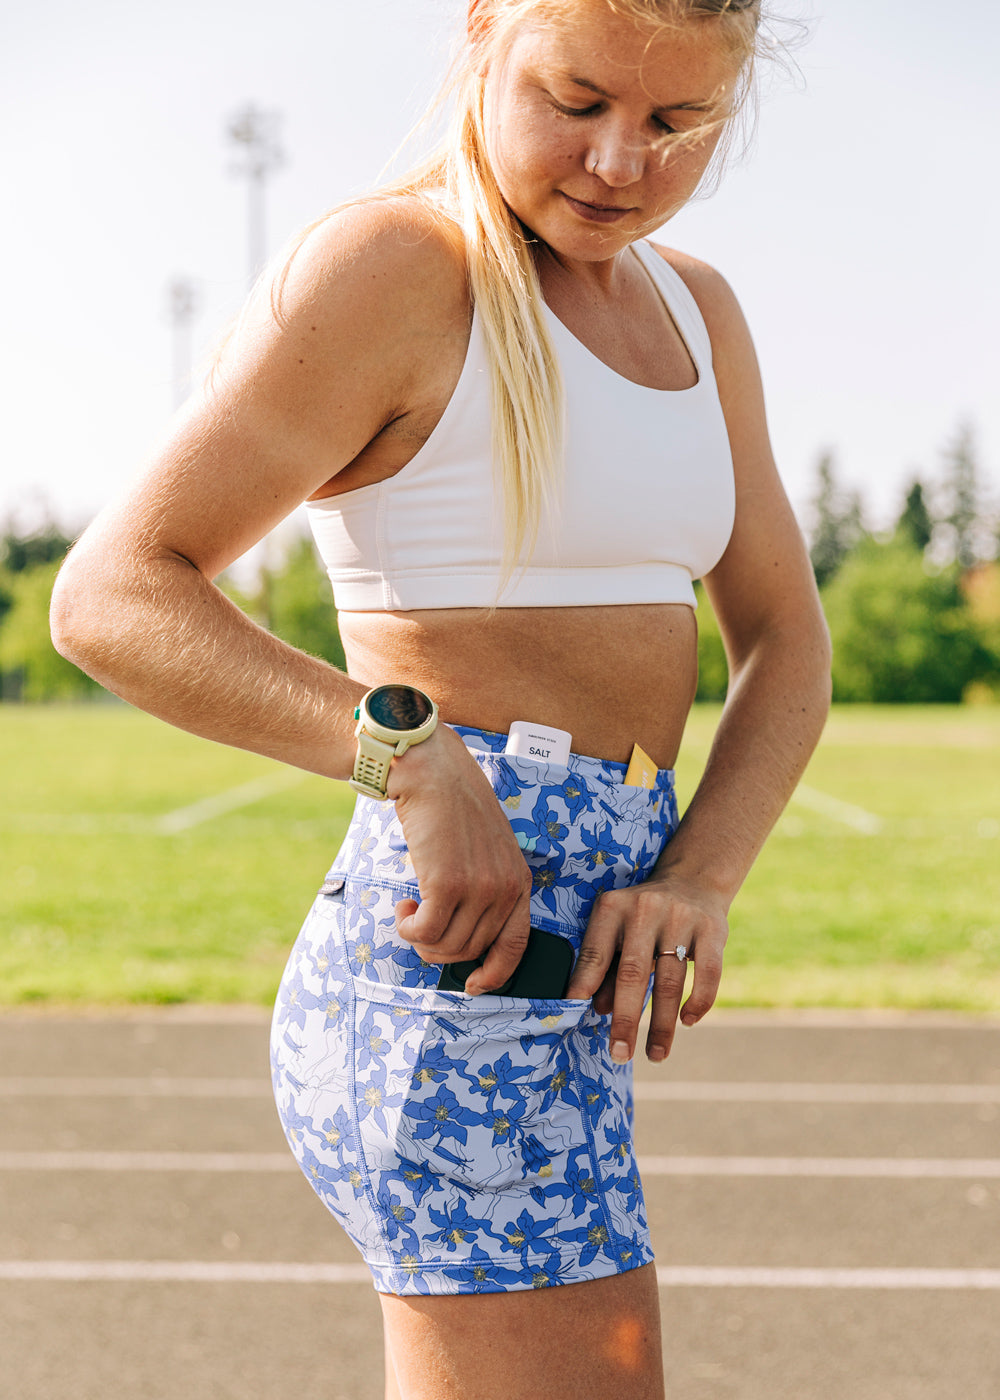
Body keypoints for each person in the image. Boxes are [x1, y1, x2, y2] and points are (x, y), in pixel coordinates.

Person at [51, 0, 831, 1395]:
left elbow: (787, 641)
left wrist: (703, 874)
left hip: (570, 978)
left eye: (675, 123)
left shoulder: (699, 312)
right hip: (446, 980)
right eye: (577, 99)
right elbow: (112, 595)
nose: (618, 163)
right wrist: (409, 760)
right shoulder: (400, 269)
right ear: (484, 34)